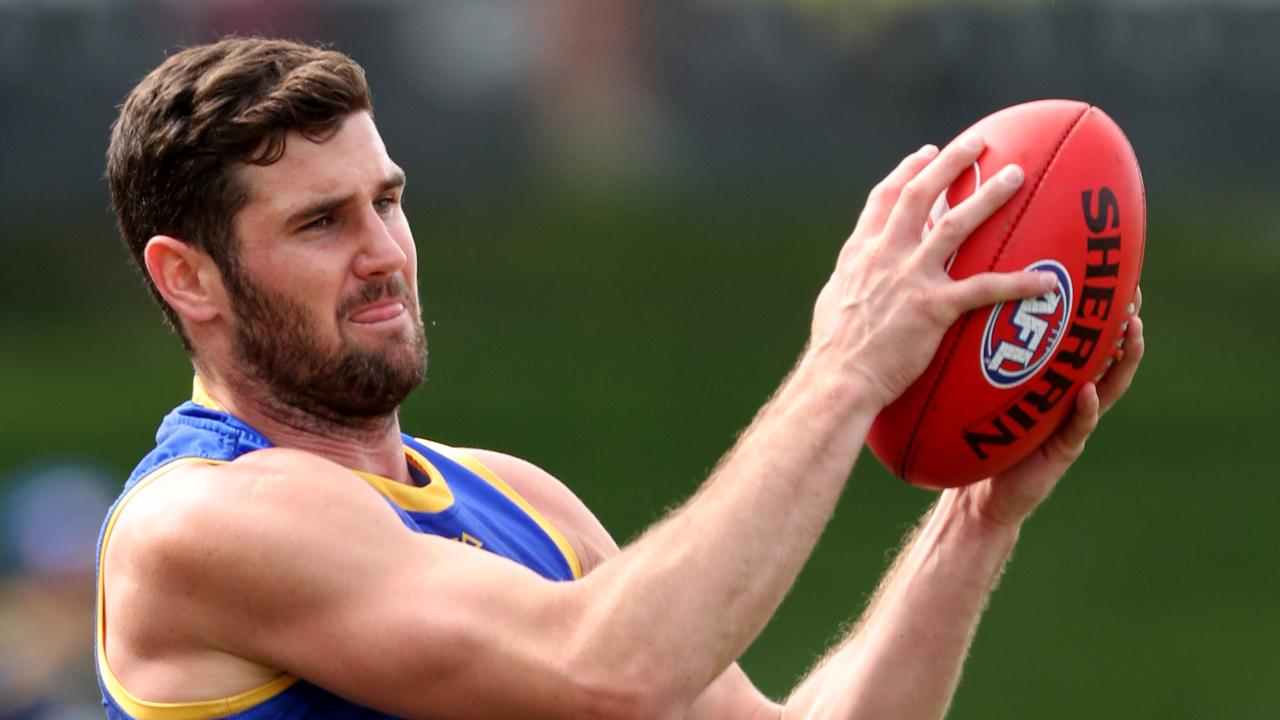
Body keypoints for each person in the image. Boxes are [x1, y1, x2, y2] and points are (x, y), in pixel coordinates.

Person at [96, 36, 1144, 720]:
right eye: (321, 222)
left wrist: (975, 517)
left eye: (388, 200)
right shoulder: (196, 525)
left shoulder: (514, 500)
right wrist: (847, 362)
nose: (384, 252)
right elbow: (606, 674)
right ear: (188, 277)